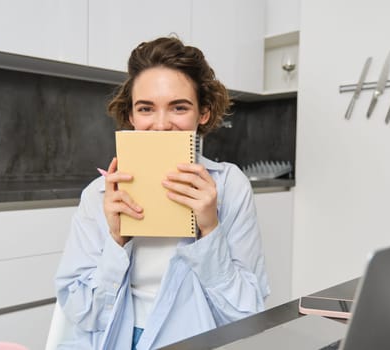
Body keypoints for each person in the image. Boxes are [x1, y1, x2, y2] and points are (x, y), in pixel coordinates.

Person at [55, 37, 269, 350]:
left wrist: (209, 229)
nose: (161, 125)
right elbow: (82, 315)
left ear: (203, 113)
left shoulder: (229, 187)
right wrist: (117, 240)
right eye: (146, 109)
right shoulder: (99, 195)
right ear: (131, 116)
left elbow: (247, 316)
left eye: (179, 107)